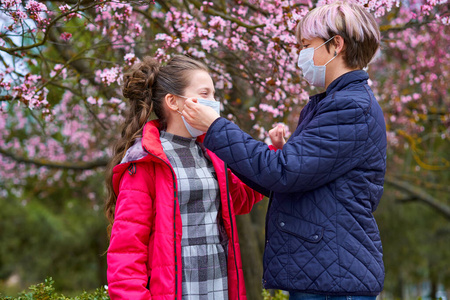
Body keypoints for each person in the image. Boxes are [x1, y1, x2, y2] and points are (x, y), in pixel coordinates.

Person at [181, 1, 387, 300]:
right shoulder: (333, 103)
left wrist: (215, 128)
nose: (301, 54)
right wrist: (281, 155)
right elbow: (291, 176)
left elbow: (284, 173)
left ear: (336, 45)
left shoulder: (349, 107)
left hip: (333, 278)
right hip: (327, 271)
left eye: (306, 45)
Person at [105, 55, 263, 300]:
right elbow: (127, 250)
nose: (214, 103)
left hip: (218, 280)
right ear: (173, 102)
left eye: (214, 94)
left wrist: (271, 157)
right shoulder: (145, 161)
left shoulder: (212, 152)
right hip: (176, 287)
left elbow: (238, 200)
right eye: (205, 93)